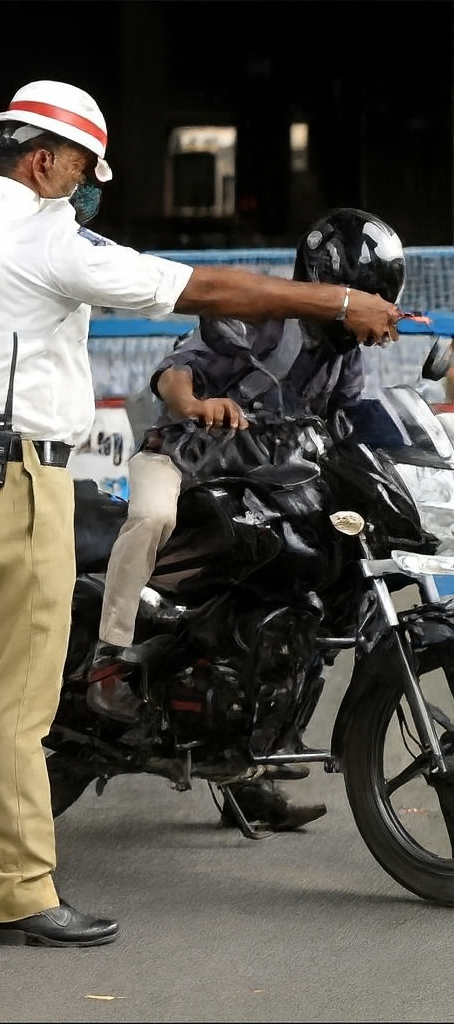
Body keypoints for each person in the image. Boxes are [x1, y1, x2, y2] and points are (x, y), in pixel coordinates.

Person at [0, 80, 402, 949]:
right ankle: (20, 895)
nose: (87, 185)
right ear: (43, 157)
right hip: (16, 479)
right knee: (18, 702)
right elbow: (199, 289)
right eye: (84, 167)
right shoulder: (47, 239)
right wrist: (336, 302)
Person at [84, 208, 407, 831]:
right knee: (149, 520)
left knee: (302, 600)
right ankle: (110, 658)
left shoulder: (343, 353)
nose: (372, 309)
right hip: (185, 459)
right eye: (366, 295)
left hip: (260, 485)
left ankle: (252, 760)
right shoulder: (263, 318)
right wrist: (199, 404)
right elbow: (175, 371)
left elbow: (349, 426)